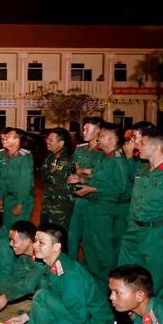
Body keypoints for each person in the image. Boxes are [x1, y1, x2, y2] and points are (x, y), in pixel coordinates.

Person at [8, 224, 114, 324]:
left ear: (56, 247)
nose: (35, 246)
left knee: (41, 298)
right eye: (35, 241)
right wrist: (26, 317)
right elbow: (57, 302)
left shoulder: (69, 274)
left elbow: (77, 316)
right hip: (84, 319)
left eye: (42, 243)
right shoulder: (53, 267)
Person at [68, 123, 131, 288]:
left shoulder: (118, 160)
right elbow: (97, 177)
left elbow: (120, 188)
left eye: (101, 136)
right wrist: (83, 181)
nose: (98, 139)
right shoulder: (104, 157)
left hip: (104, 210)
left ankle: (106, 290)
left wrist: (92, 188)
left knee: (103, 252)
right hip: (93, 207)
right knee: (90, 249)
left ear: (111, 138)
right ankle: (93, 288)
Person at [117, 128, 163, 298]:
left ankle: (155, 322)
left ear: (157, 147)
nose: (139, 146)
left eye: (143, 143)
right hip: (133, 232)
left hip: (156, 234)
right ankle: (131, 320)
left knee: (154, 283)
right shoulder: (142, 170)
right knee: (127, 278)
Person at [0, 221, 45, 311]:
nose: (10, 244)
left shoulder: (41, 258)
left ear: (27, 241)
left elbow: (28, 286)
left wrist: (6, 297)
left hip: (58, 298)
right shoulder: (24, 256)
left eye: (14, 240)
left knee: (42, 283)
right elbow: (15, 278)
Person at [66, 116, 103, 257]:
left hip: (95, 199)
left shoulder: (104, 151)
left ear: (98, 131)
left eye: (87, 129)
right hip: (78, 199)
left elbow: (102, 175)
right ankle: (72, 269)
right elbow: (74, 170)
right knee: (72, 237)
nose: (84, 132)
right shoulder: (80, 149)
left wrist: (82, 175)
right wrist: (86, 173)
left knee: (91, 241)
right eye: (83, 129)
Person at [0, 127, 34, 228]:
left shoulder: (24, 157)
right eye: (3, 137)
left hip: (20, 199)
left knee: (18, 229)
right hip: (5, 198)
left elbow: (25, 183)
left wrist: (19, 203)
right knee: (3, 227)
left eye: (8, 137)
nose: (4, 139)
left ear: (17, 140)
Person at [39, 127, 75, 232]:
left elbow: (53, 178)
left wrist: (49, 171)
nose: (47, 142)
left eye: (51, 140)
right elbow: (42, 174)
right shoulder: (51, 156)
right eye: (47, 139)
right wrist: (50, 171)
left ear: (61, 143)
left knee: (57, 234)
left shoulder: (65, 159)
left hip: (60, 206)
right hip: (49, 202)